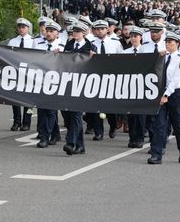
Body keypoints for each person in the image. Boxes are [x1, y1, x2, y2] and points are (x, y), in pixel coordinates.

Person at [147, 32, 180, 164]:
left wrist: (166, 95)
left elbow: (176, 80)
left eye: (171, 42)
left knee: (178, 126)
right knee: (159, 125)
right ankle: (156, 155)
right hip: (162, 94)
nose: (168, 44)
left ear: (177, 44)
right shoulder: (163, 57)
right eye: (167, 42)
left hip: (175, 94)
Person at [62, 21, 96, 155]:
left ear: (83, 33)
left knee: (76, 114)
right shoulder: (69, 44)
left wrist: (93, 58)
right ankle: (80, 146)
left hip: (82, 84)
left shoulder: (90, 47)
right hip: (69, 83)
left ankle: (70, 142)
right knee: (69, 114)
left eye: (77, 31)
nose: (74, 33)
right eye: (73, 31)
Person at [88, 19, 123, 141]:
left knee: (109, 107)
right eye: (97, 29)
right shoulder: (91, 43)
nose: (100, 31)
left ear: (107, 30)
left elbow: (123, 59)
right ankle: (98, 132)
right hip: (96, 77)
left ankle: (113, 125)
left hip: (111, 78)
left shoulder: (115, 42)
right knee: (96, 106)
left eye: (102, 29)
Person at [34, 20, 64, 148]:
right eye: (48, 31)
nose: (49, 33)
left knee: (51, 111)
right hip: (41, 81)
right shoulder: (38, 44)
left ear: (58, 34)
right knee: (42, 110)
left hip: (55, 82)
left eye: (52, 31)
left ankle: (45, 137)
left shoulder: (62, 46)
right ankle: (55, 134)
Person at [7, 18, 34, 131]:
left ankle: (27, 122)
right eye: (19, 27)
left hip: (29, 73)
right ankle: (16, 121)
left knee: (28, 100)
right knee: (15, 98)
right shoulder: (13, 41)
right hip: (16, 72)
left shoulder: (33, 41)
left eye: (23, 27)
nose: (21, 29)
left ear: (28, 28)